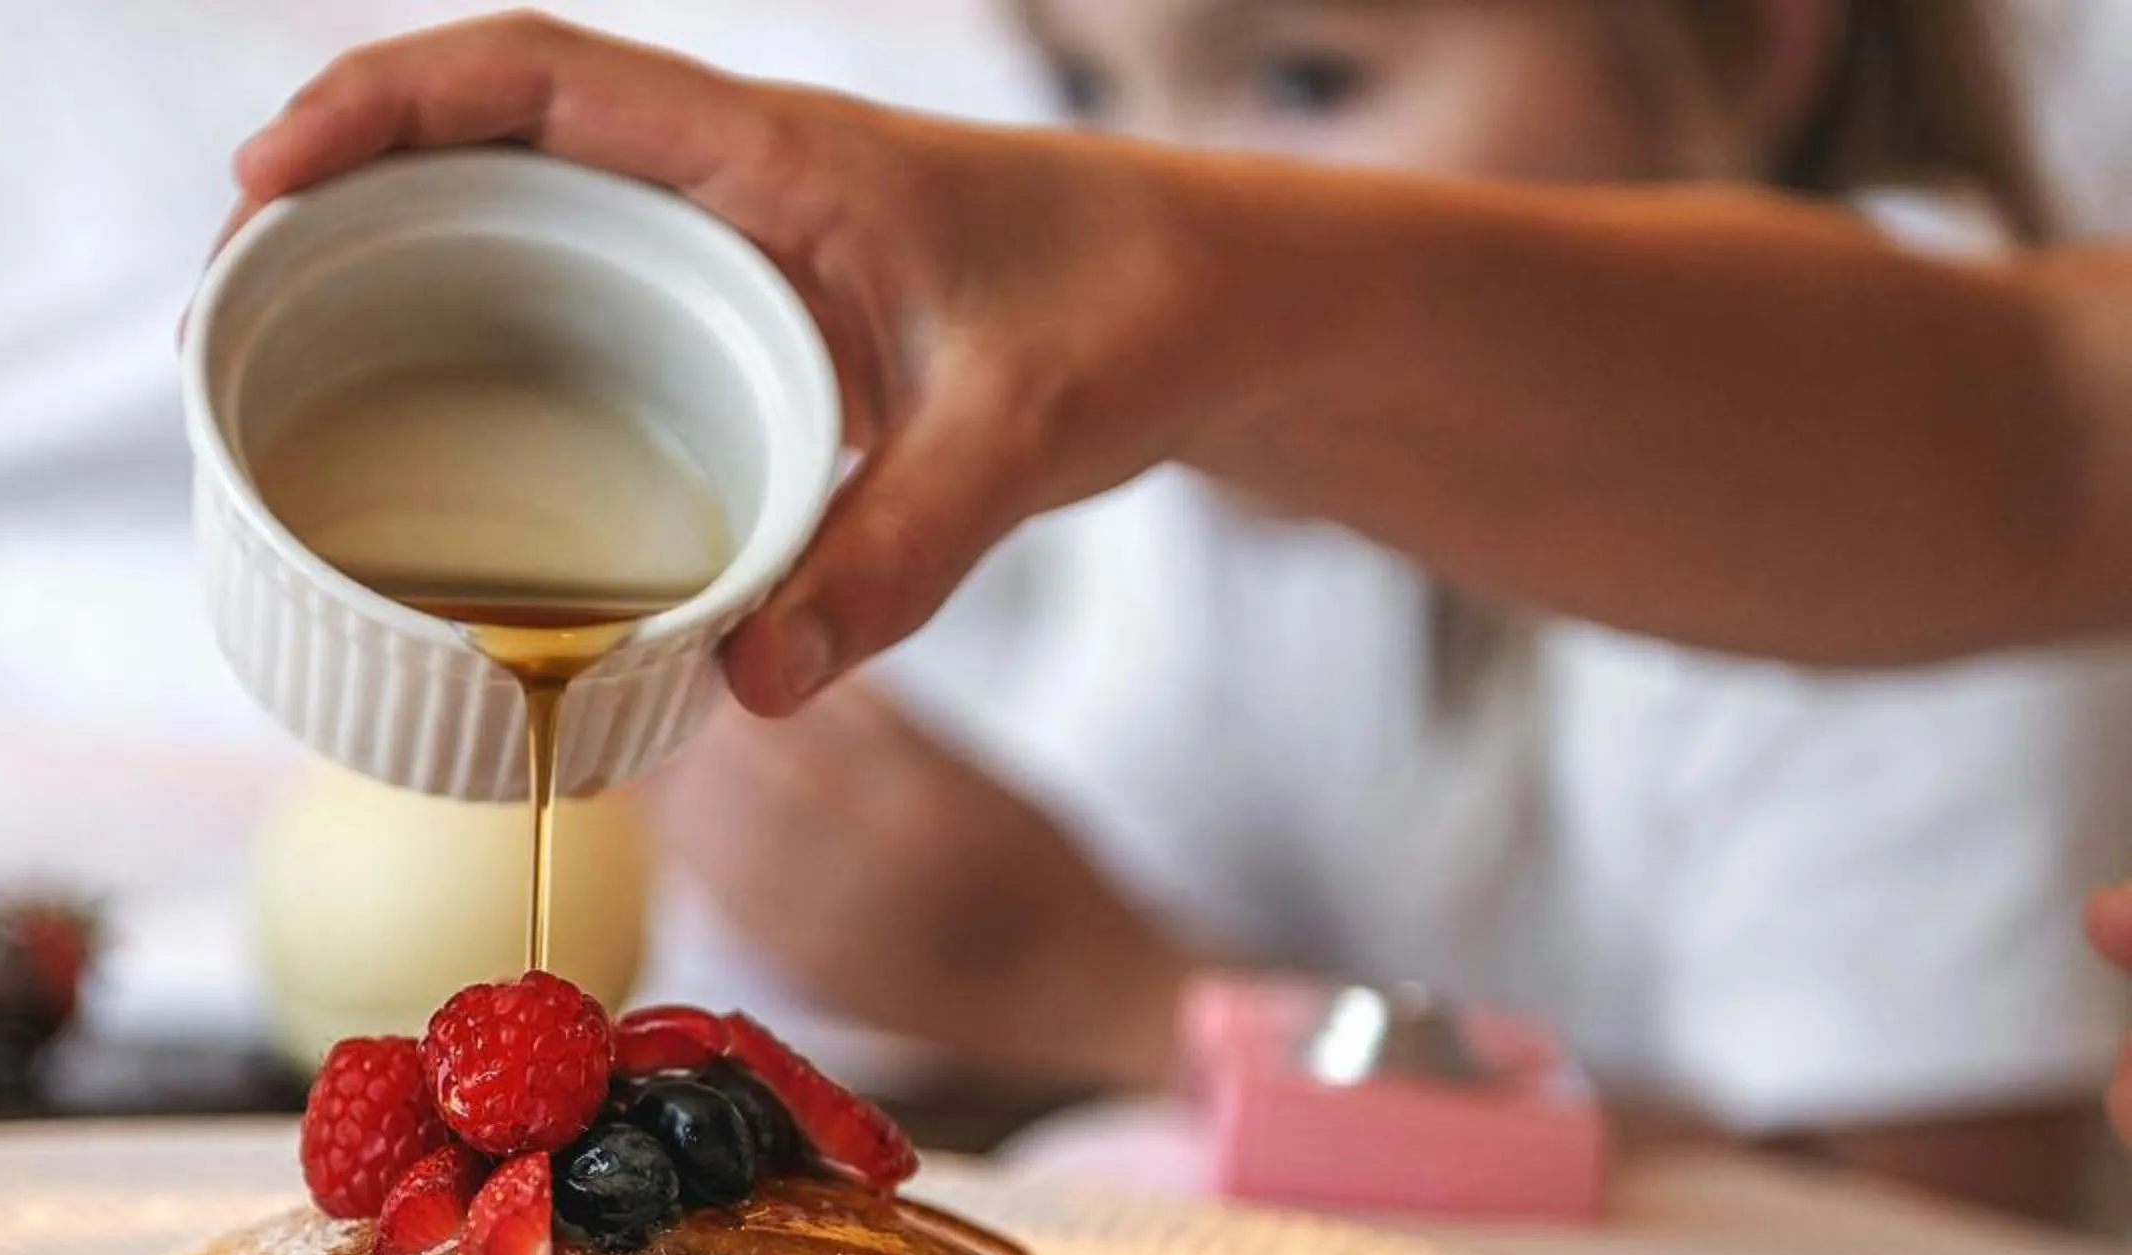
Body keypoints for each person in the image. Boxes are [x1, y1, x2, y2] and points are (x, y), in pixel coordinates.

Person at [229, 8, 2132, 1185]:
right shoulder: (1244, 495)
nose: (1170, 182)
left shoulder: (1853, 463)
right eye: (1083, 85)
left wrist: (1108, 993)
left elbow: (1922, 1245)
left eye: (1307, 74)